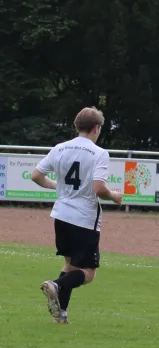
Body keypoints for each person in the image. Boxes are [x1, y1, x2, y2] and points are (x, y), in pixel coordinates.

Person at [31, 107, 122, 323]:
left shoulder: (60, 148)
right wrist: (114, 196)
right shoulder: (99, 153)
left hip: (61, 216)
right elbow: (99, 188)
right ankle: (57, 285)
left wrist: (58, 187)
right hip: (84, 219)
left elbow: (36, 175)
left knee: (70, 266)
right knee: (88, 273)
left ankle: (60, 315)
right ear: (96, 128)